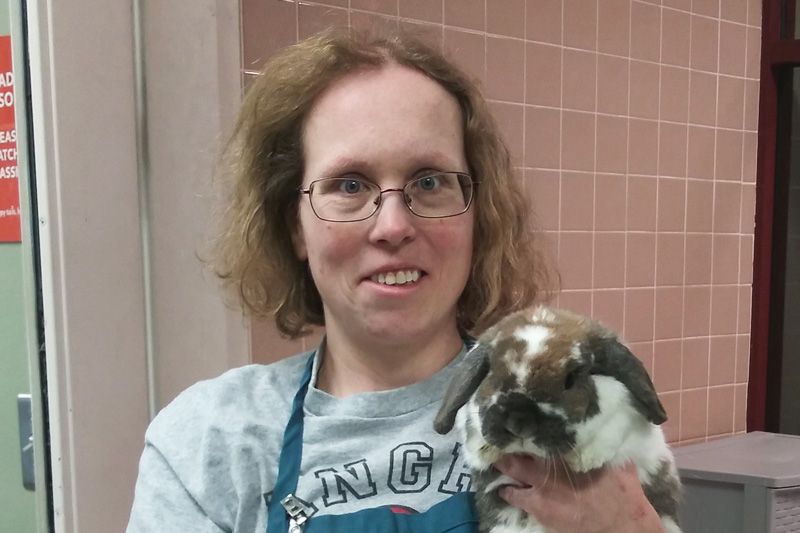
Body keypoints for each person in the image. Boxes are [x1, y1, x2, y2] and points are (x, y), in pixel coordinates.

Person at [127, 29, 664, 533]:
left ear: (479, 213)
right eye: (349, 184)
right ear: (295, 226)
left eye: (429, 182)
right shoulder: (213, 441)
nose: (393, 226)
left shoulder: (568, 408)